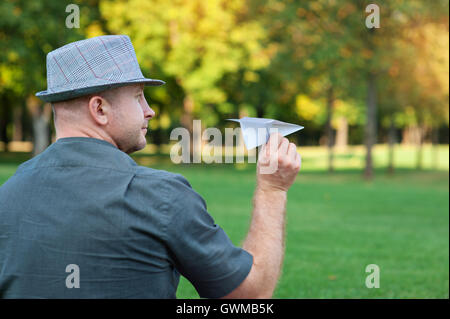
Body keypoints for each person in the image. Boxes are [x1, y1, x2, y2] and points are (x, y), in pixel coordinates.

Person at [0, 35, 301, 298]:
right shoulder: (160, 195)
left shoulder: (8, 194)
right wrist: (273, 189)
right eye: (138, 96)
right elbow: (250, 295)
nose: (150, 111)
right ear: (100, 109)